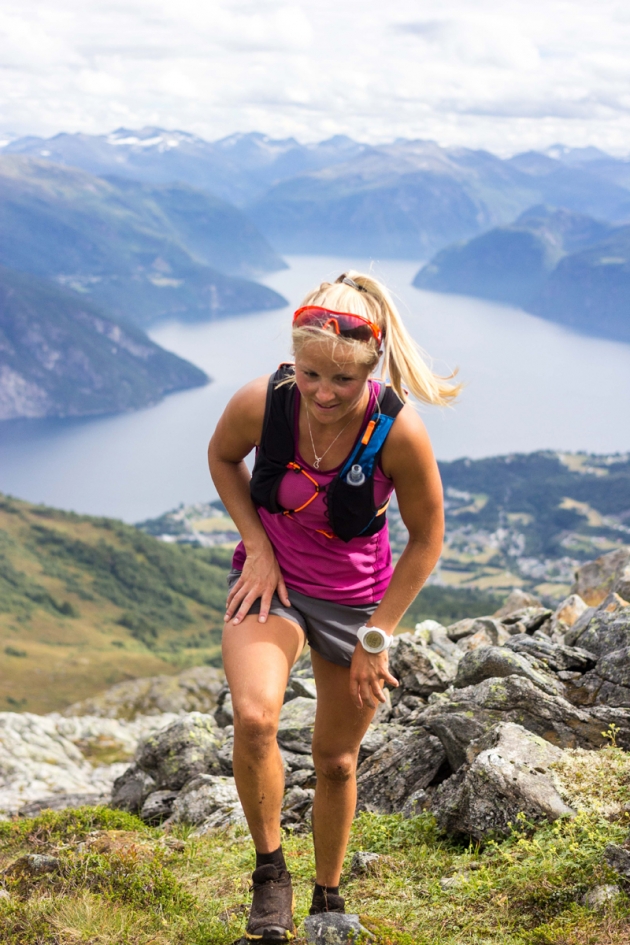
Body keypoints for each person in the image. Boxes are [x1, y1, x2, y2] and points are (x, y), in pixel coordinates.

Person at [208, 271, 459, 943]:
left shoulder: (398, 431)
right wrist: (256, 544)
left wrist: (380, 633)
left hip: (356, 605)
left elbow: (428, 537)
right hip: (274, 584)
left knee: (337, 759)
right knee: (256, 716)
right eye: (311, 373)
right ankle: (271, 879)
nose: (323, 393)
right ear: (295, 359)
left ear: (372, 369)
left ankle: (327, 893)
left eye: (343, 381)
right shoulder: (264, 402)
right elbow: (223, 457)